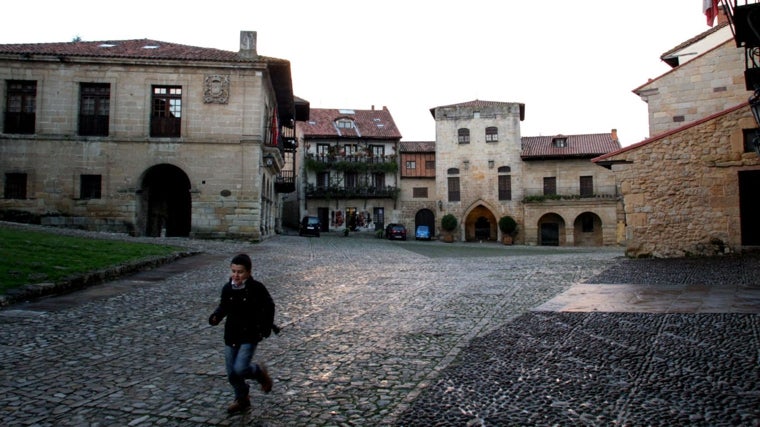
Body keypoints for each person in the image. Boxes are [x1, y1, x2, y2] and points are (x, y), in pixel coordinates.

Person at [209, 253, 275, 414]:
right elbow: (224, 306)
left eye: (240, 272)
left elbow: (269, 306)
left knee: (240, 368)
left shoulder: (256, 288)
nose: (236, 275)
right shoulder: (228, 288)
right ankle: (242, 398)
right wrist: (216, 316)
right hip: (231, 334)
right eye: (233, 271)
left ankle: (259, 373)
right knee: (232, 373)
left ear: (249, 272)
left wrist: (265, 327)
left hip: (250, 334)